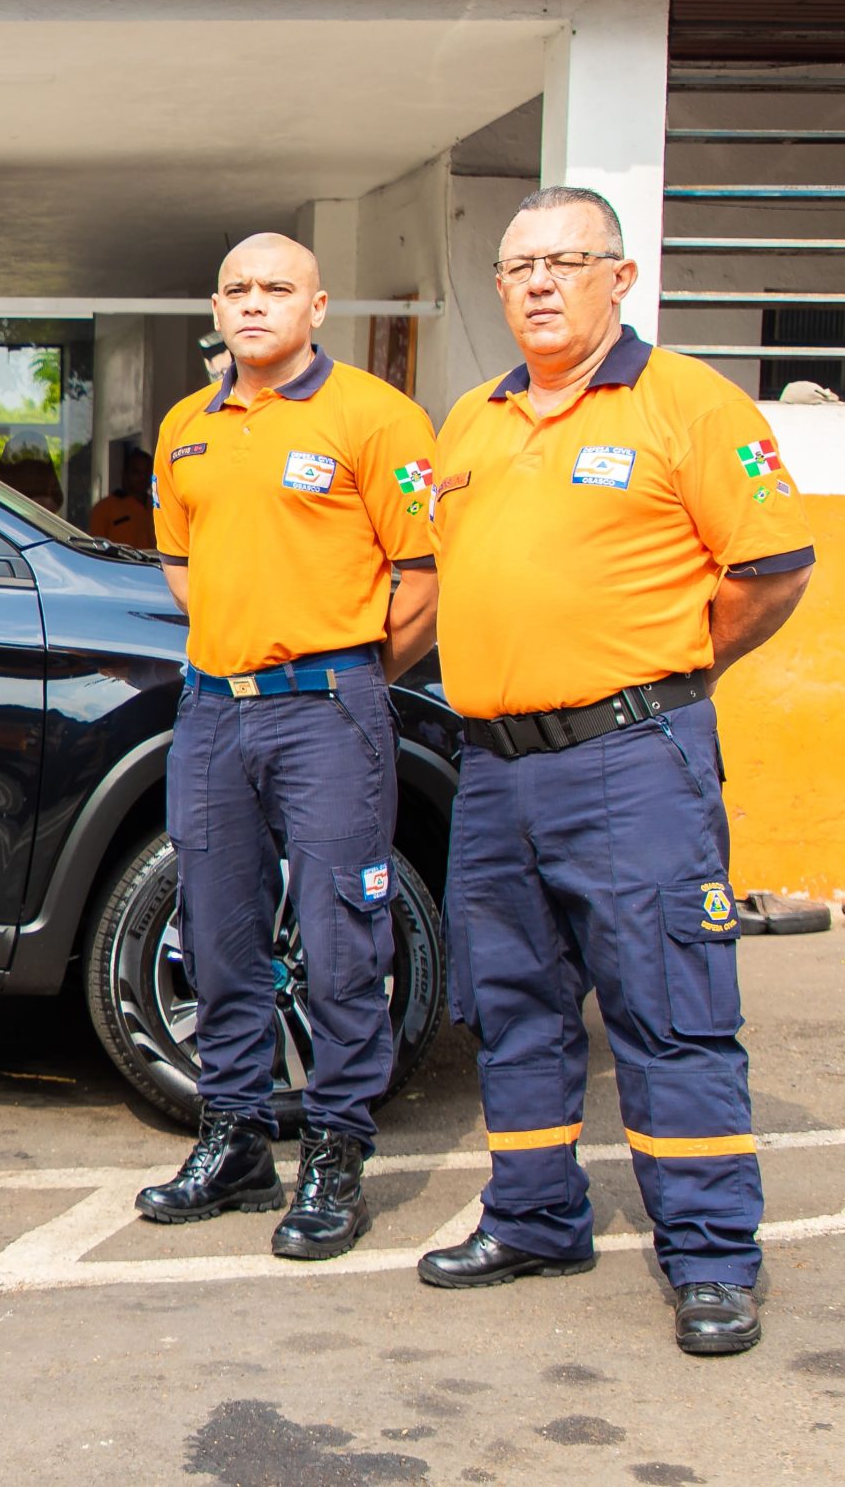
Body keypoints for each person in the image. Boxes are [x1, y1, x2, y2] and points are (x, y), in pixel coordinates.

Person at [418, 186, 813, 1356]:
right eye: (517, 267)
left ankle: (710, 1257)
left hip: (631, 760)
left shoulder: (686, 400)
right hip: (497, 772)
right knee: (510, 1007)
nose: (538, 283)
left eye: (565, 261)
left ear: (620, 277)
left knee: (668, 1006)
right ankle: (535, 1218)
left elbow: (774, 570)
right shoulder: (471, 421)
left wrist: (669, 674)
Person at [139, 233, 440, 1259]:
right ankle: (233, 1141)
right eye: (237, 289)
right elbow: (183, 563)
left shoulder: (376, 417)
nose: (254, 304)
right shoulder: (186, 427)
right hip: (212, 710)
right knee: (216, 933)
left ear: (317, 306)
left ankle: (335, 1153)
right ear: (215, 309)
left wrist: (338, 672)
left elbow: (420, 580)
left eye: (276, 288)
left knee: (340, 941)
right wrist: (243, 651)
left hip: (328, 708)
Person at [87, 447, 157, 548]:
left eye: (147, 472)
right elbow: (96, 548)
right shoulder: (104, 508)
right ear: (125, 474)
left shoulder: (158, 506)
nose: (142, 477)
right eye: (136, 472)